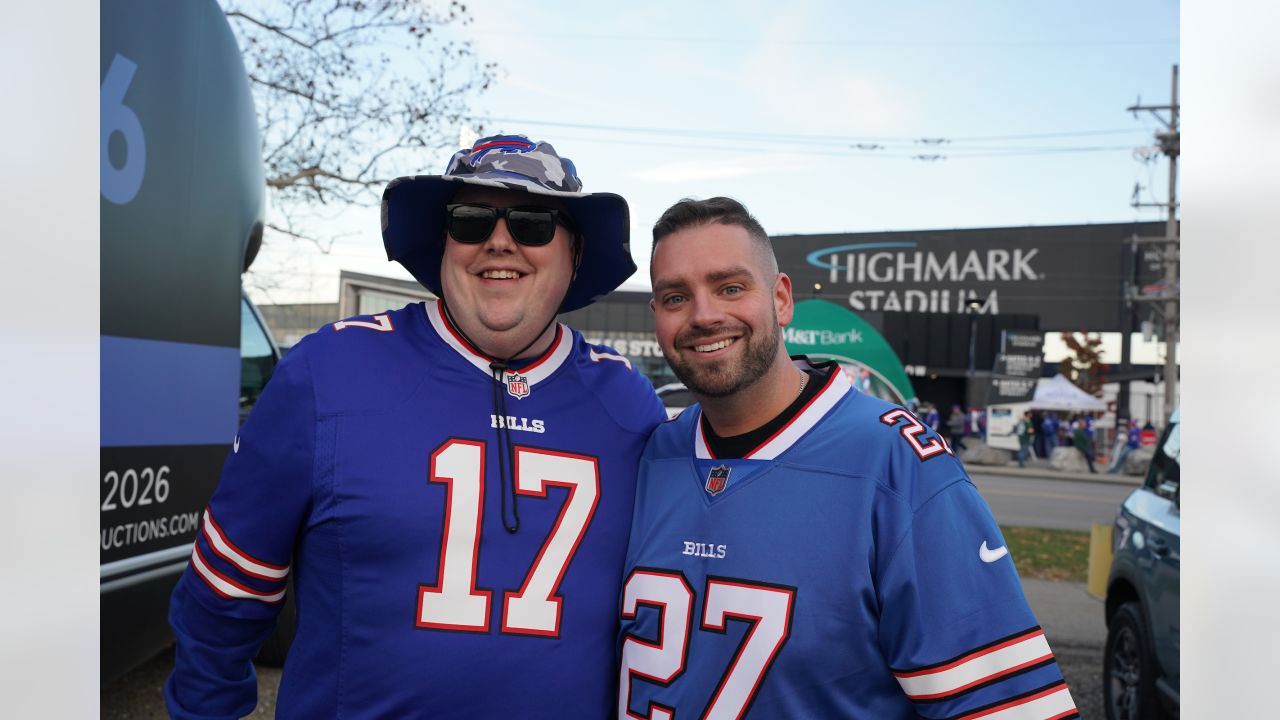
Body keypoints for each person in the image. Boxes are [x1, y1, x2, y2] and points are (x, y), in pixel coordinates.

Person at [165, 134, 666, 719]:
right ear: (442, 241)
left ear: (575, 253)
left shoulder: (628, 403)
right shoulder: (330, 372)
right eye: (471, 220)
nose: (499, 241)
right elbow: (221, 605)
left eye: (533, 223)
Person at [619, 197, 1077, 718]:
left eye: (730, 288)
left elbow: (1006, 707)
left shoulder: (896, 465)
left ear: (782, 299)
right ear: (656, 315)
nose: (704, 315)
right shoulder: (651, 453)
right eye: (676, 297)